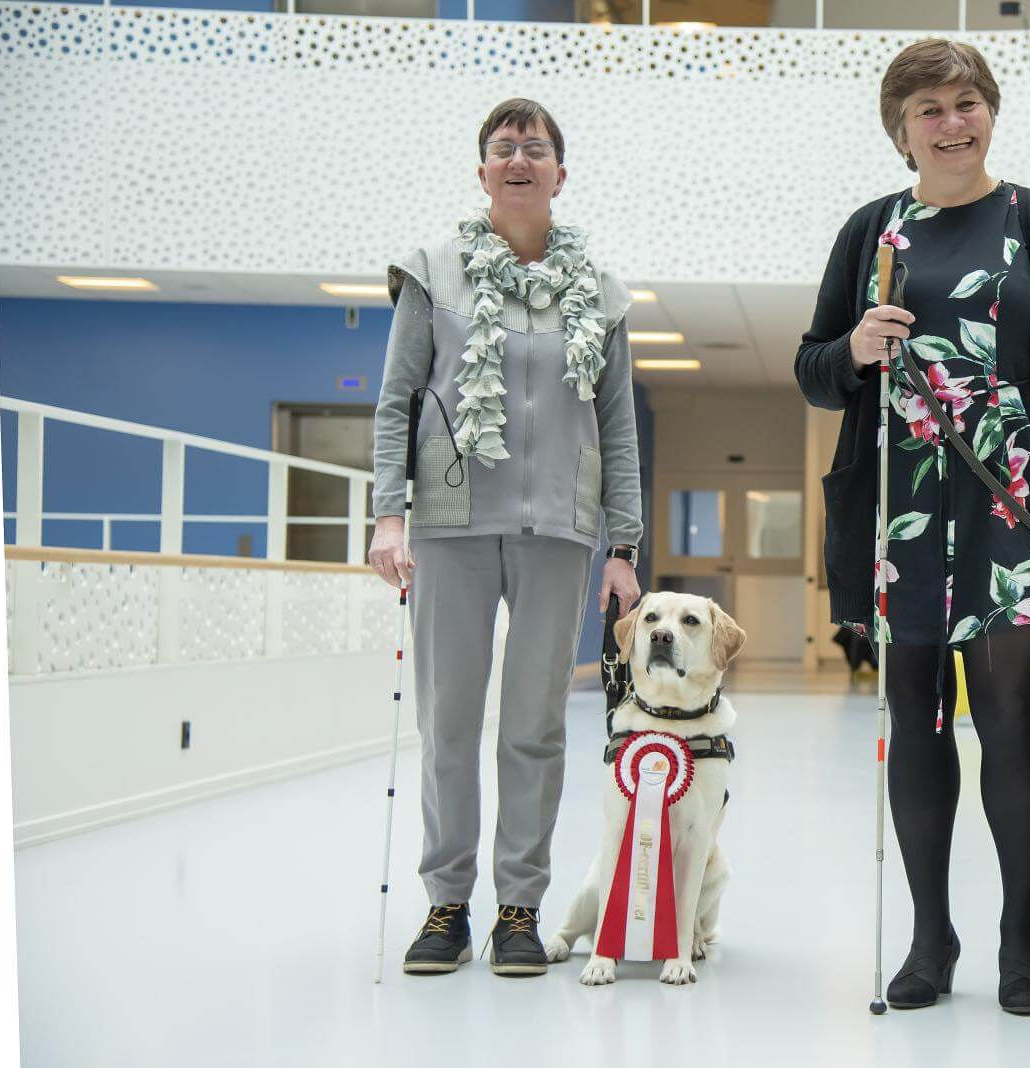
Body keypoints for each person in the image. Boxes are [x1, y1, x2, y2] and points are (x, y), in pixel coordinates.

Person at [794, 38, 1030, 1015]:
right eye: (928, 108)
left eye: (965, 101)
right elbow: (813, 371)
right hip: (901, 507)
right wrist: (851, 347)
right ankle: (931, 936)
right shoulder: (870, 233)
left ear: (990, 112)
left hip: (1009, 506)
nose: (950, 121)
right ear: (901, 129)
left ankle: (1021, 937)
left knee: (1012, 715)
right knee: (917, 715)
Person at [370, 98, 643, 978]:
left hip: (559, 532)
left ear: (561, 173)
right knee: (450, 724)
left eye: (536, 148)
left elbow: (618, 425)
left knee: (533, 727)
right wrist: (386, 512)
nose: (519, 159)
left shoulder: (599, 292)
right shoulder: (431, 274)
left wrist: (625, 546)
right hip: (450, 528)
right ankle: (446, 904)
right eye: (502, 148)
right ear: (481, 170)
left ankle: (519, 908)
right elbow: (396, 398)